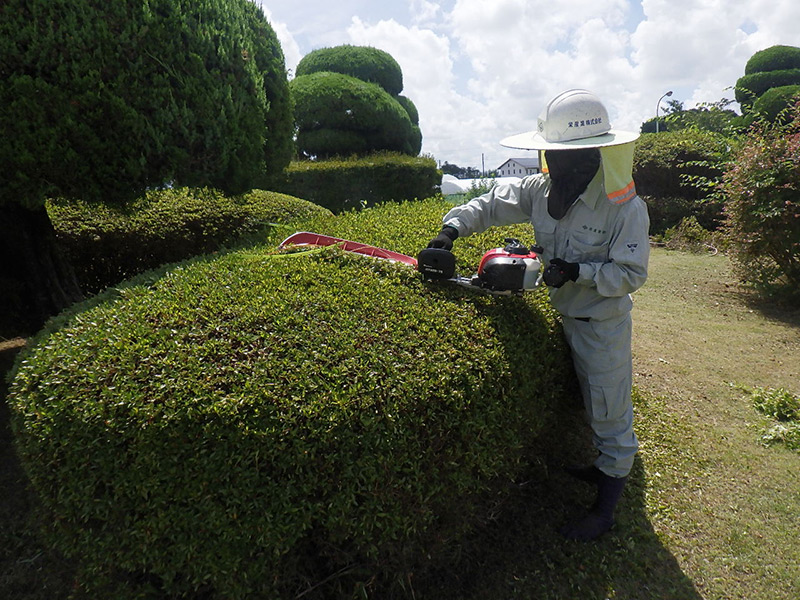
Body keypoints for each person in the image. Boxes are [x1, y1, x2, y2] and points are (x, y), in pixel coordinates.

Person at [428, 89, 650, 541]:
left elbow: (630, 275)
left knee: (610, 412)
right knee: (585, 399)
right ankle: (601, 468)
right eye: (551, 153)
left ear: (594, 155)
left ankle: (605, 511)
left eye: (566, 155)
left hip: (599, 324)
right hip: (564, 317)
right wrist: (449, 231)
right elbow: (490, 203)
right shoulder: (538, 189)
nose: (555, 163)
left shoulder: (623, 206)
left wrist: (578, 271)